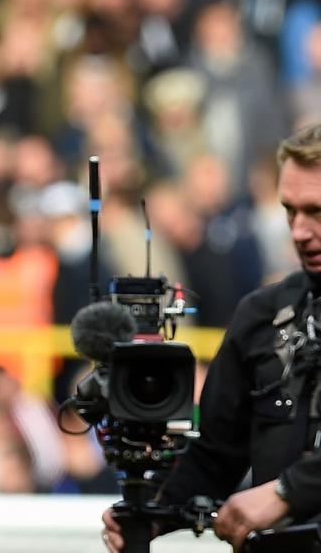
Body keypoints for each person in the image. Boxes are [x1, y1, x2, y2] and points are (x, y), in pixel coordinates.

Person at [102, 123, 321, 552]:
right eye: (290, 210)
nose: (298, 230)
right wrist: (153, 512)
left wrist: (287, 492)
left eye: (316, 211)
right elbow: (216, 452)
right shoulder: (261, 316)